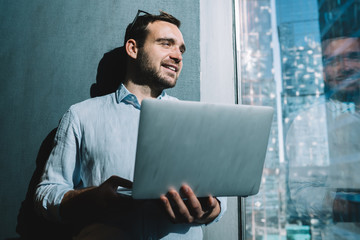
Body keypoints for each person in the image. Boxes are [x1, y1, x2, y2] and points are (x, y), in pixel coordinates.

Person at [34, 10, 226, 239]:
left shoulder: (195, 120)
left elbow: (216, 194)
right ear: (133, 48)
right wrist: (90, 198)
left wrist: (213, 209)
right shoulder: (81, 115)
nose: (178, 56)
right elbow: (45, 194)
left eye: (181, 49)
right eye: (167, 44)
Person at [286, 37, 360, 239]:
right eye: (333, 61)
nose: (345, 67)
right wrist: (349, 205)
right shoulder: (309, 122)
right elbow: (302, 195)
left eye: (353, 57)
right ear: (323, 73)